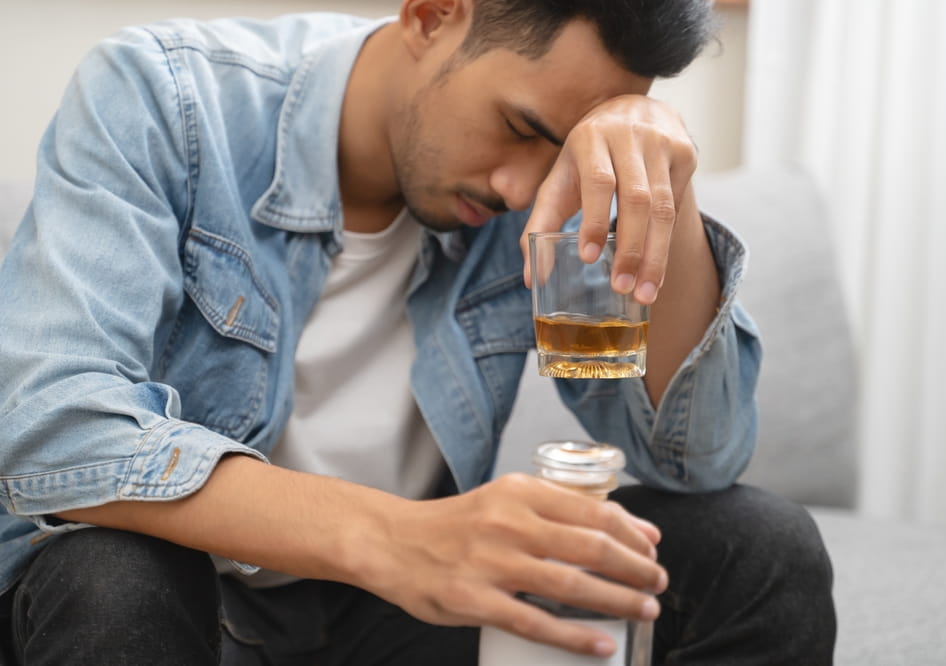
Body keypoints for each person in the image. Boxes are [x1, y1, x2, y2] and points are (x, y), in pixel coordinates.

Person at [0, 0, 836, 664]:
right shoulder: (164, 97)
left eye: (561, 150)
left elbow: (698, 463)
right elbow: (50, 431)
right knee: (114, 576)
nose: (522, 191)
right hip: (196, 606)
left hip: (395, 616)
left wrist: (668, 193)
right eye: (519, 128)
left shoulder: (552, 195)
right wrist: (396, 539)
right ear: (432, 15)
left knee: (759, 547)